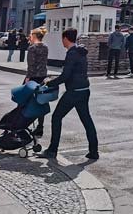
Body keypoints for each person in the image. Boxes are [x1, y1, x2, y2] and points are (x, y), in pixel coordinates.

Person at [41, 28, 99, 160]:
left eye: (62, 39)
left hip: (73, 92)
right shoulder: (81, 51)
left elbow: (65, 76)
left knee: (56, 117)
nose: (62, 41)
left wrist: (49, 83)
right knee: (87, 120)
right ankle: (94, 151)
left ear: (66, 38)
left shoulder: (71, 54)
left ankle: (52, 150)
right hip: (84, 90)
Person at [24, 29, 48, 137]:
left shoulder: (32, 48)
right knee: (41, 101)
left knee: (23, 100)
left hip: (33, 77)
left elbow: (31, 65)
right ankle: (40, 127)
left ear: (34, 36)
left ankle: (21, 124)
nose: (29, 36)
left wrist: (28, 78)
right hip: (42, 77)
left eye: (31, 35)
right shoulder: (45, 47)